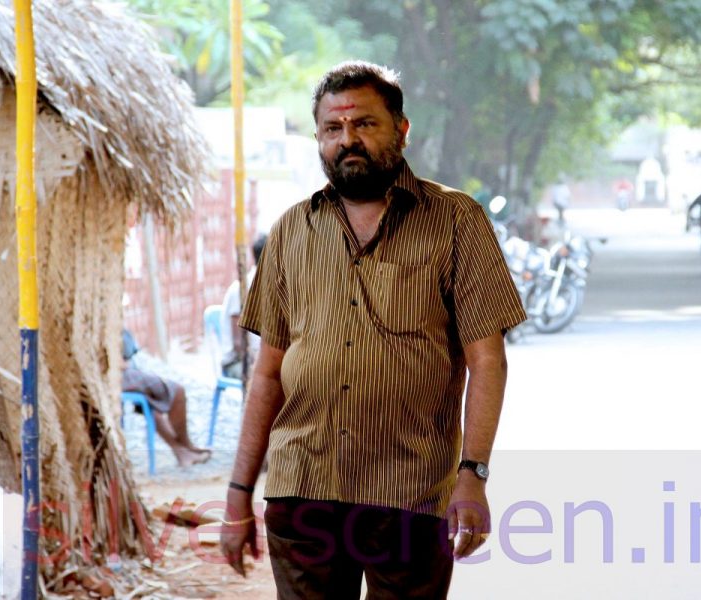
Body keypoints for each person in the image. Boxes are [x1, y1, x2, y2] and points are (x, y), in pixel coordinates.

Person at [220, 61, 526, 599]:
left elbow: (488, 362)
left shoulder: (457, 221)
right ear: (318, 138)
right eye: (333, 129)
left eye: (364, 124)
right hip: (302, 490)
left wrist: (473, 474)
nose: (348, 140)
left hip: (408, 490)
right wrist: (238, 492)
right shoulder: (291, 230)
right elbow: (267, 372)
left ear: (401, 129)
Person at [122, 329, 211, 467]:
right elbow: (122, 361)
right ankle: (186, 445)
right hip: (123, 375)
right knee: (177, 391)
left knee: (153, 404)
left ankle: (182, 452)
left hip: (129, 374)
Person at [220, 235, 267, 379]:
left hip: (260, 361)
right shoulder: (241, 289)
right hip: (238, 362)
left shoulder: (271, 286)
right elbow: (238, 345)